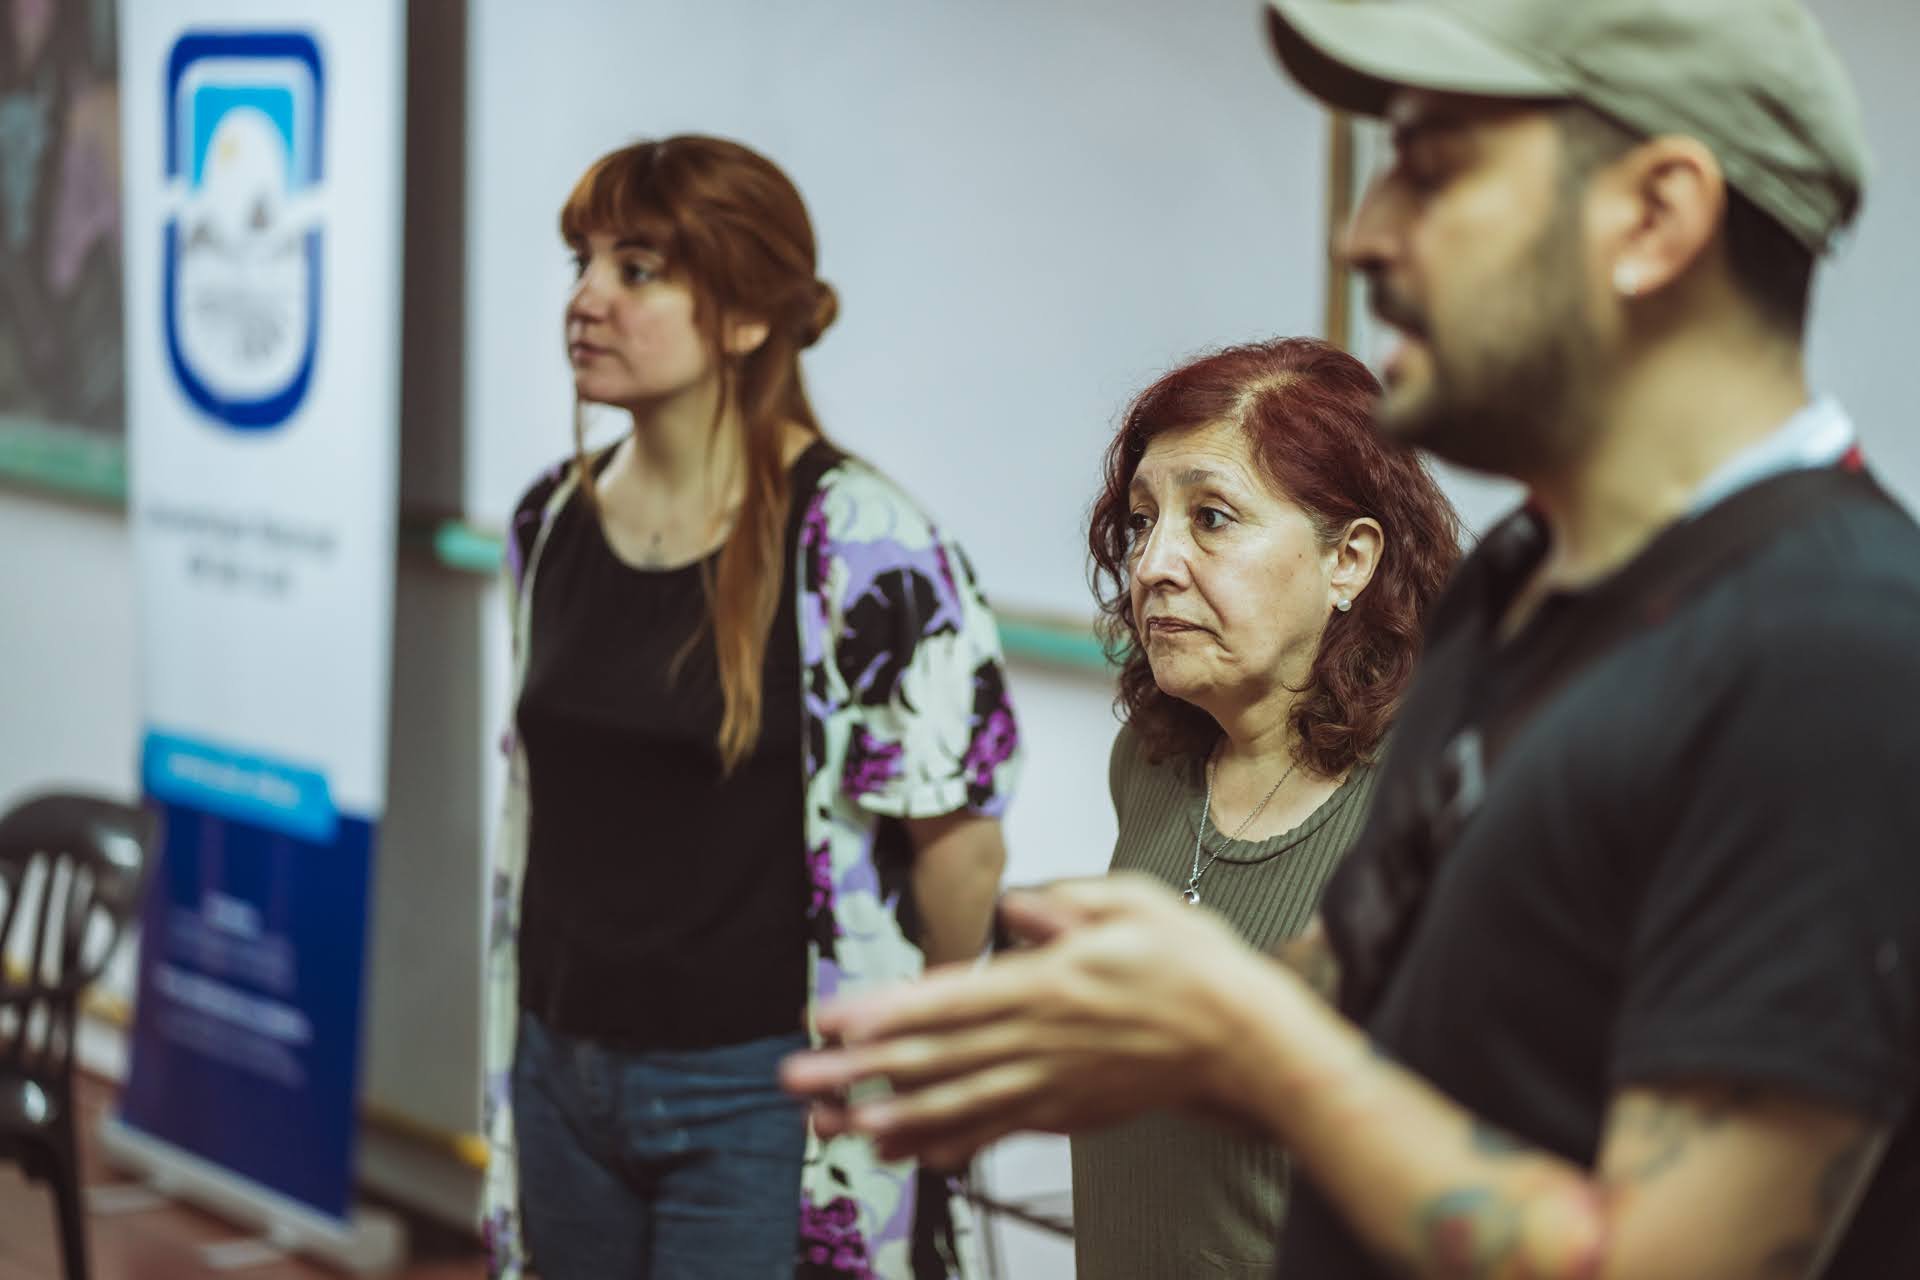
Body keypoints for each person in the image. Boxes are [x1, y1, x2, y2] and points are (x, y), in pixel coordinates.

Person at [782, 2, 1920, 1277]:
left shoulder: (1837, 658)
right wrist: (1088, 1026)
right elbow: (1379, 1013)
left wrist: (1241, 1035)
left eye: (1431, 170)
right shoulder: (1523, 586)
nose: (1362, 232)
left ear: (1654, 216)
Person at [481, 135, 1022, 1280]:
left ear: (741, 318)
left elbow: (959, 850)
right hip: (558, 1065)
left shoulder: (868, 546)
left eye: (636, 269)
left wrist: (912, 1061)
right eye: (582, 262)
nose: (585, 298)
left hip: (759, 1092)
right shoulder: (548, 524)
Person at [1069, 337, 1458, 1277]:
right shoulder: (1151, 763)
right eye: (1141, 521)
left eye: (1211, 518)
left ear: (1348, 562)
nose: (1154, 563)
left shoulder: (1429, 814)